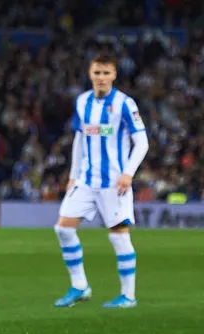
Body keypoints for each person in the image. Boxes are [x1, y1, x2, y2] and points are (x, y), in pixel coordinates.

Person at [53, 53, 149, 309]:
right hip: (86, 179)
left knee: (118, 235)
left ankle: (128, 296)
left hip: (114, 182)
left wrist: (128, 173)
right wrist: (73, 175)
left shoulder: (125, 104)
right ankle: (80, 286)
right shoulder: (82, 101)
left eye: (106, 73)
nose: (102, 78)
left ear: (114, 75)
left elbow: (142, 141)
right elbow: (79, 139)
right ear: (90, 74)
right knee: (63, 228)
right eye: (97, 73)